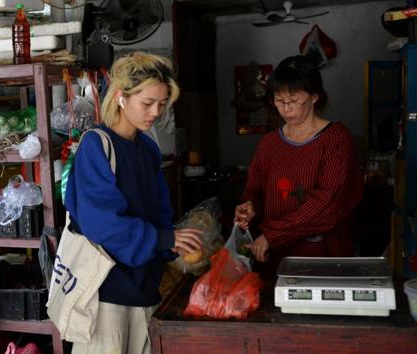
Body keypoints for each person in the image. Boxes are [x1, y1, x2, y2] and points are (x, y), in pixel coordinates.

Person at [64, 52, 203, 354]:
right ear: (121, 97)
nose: (156, 112)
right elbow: (103, 224)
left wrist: (172, 244)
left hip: (145, 287)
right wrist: (163, 237)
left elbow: (158, 212)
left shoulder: (148, 149)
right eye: (148, 102)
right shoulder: (95, 146)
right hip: (105, 294)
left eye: (163, 103)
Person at [234, 55, 363, 266]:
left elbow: (327, 204)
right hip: (274, 257)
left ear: (314, 96)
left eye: (293, 100)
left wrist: (272, 235)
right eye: (279, 100)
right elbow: (254, 189)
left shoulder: (336, 139)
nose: (285, 109)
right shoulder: (269, 143)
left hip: (323, 257)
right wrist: (249, 207)